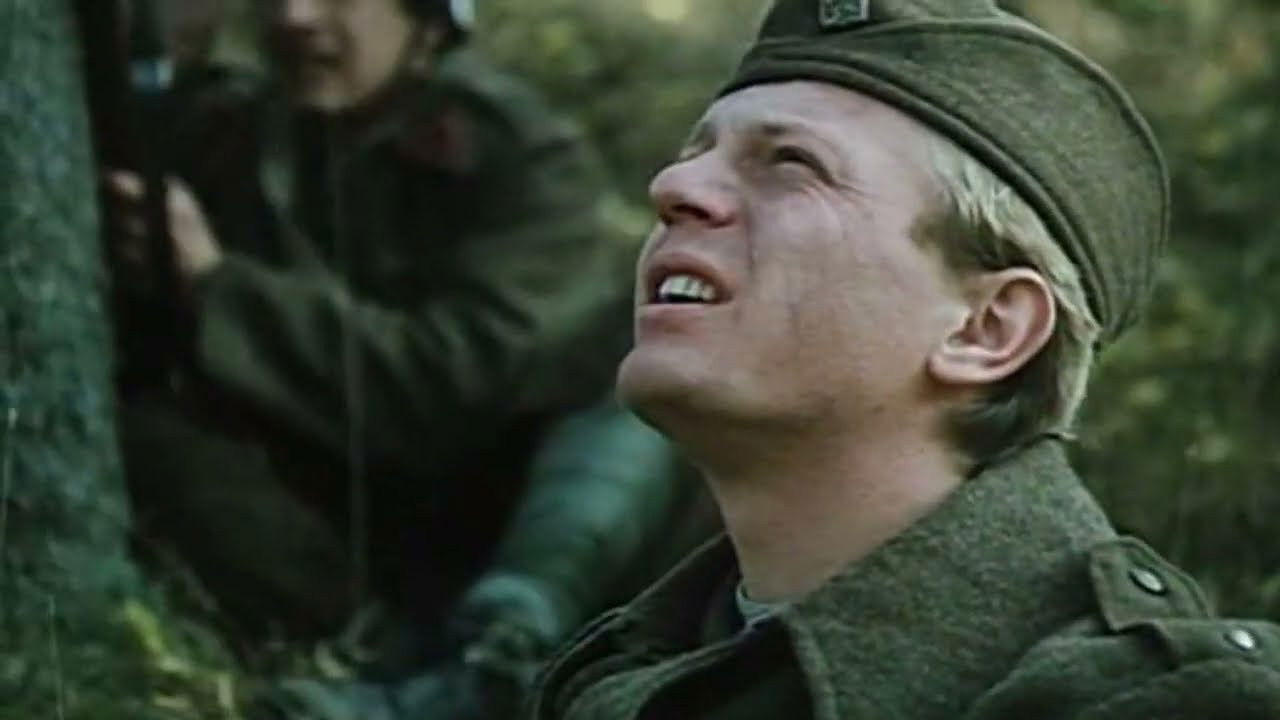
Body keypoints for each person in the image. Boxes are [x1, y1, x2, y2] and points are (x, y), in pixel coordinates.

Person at [528, 1, 1280, 718]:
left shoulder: (1158, 704)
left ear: (985, 329)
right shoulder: (623, 673)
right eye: (695, 155)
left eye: (791, 163)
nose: (673, 186)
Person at [103, 0, 710, 713]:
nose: (294, 17)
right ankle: (404, 664)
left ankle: (499, 655)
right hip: (340, 537)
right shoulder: (233, 129)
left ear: (424, 18)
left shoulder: (516, 153)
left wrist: (219, 287)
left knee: (654, 352)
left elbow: (457, 385)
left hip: (513, 519)